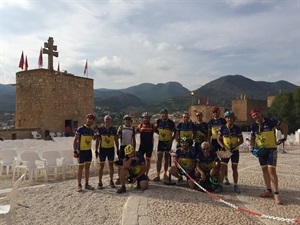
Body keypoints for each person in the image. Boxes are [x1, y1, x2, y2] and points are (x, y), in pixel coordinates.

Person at [250, 108, 288, 205]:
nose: (256, 116)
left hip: (271, 149)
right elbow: (253, 138)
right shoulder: (254, 126)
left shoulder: (270, 121)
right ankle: (268, 190)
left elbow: (284, 125)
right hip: (261, 151)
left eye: (257, 114)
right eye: (254, 115)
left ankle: (276, 193)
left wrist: (285, 137)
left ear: (261, 113)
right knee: (264, 170)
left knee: (272, 170)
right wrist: (252, 147)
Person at [216, 111, 244, 193]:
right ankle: (220, 185)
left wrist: (235, 145)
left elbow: (241, 140)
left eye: (231, 117)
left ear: (233, 118)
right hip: (225, 150)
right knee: (222, 168)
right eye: (227, 118)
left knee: (234, 168)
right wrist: (222, 146)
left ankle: (235, 185)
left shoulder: (237, 128)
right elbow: (218, 139)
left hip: (234, 151)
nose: (229, 119)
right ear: (225, 119)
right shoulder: (222, 128)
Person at [73, 113, 97, 192]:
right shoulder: (80, 129)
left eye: (92, 120)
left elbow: (93, 138)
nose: (90, 120)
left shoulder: (91, 130)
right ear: (86, 119)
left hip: (88, 151)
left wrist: (97, 133)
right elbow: (75, 140)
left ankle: (87, 184)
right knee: (80, 168)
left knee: (87, 168)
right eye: (89, 119)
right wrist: (75, 150)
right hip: (81, 151)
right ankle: (79, 185)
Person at [95, 115, 119, 189]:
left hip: (111, 149)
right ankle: (100, 182)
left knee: (111, 165)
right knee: (101, 166)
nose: (108, 121)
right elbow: (97, 140)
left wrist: (118, 149)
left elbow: (116, 140)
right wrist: (96, 150)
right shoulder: (101, 129)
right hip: (102, 149)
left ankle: (111, 181)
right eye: (106, 120)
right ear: (104, 121)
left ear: (110, 121)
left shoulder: (113, 129)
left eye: (109, 120)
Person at [207, 106, 229, 184]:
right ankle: (216, 175)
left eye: (216, 111)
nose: (215, 113)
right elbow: (209, 134)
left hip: (222, 142)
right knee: (215, 160)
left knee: (224, 161)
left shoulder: (223, 121)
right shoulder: (210, 122)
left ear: (219, 112)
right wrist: (209, 143)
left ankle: (226, 177)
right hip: (214, 142)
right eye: (214, 112)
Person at [153, 109, 176, 182]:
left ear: (167, 114)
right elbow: (155, 129)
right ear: (161, 115)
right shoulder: (159, 121)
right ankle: (157, 175)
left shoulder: (171, 123)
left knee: (166, 158)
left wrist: (172, 140)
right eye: (162, 113)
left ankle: (165, 174)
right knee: (159, 158)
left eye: (165, 113)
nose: (164, 115)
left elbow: (175, 131)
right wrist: (159, 134)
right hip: (161, 141)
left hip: (168, 142)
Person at [115, 115, 136, 185]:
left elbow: (134, 139)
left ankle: (127, 177)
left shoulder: (132, 128)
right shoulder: (121, 127)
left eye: (128, 119)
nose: (127, 120)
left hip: (129, 147)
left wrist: (134, 149)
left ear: (130, 120)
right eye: (126, 119)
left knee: (128, 163)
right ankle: (119, 177)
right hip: (122, 147)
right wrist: (117, 148)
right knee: (120, 163)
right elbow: (117, 138)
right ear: (124, 120)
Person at [136, 112, 156, 179]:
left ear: (149, 118)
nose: (146, 119)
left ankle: (146, 175)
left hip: (149, 146)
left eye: (147, 118)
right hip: (142, 146)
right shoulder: (140, 126)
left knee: (148, 161)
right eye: (145, 118)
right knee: (139, 160)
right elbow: (134, 133)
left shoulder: (152, 126)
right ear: (143, 118)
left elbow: (159, 132)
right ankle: (140, 174)